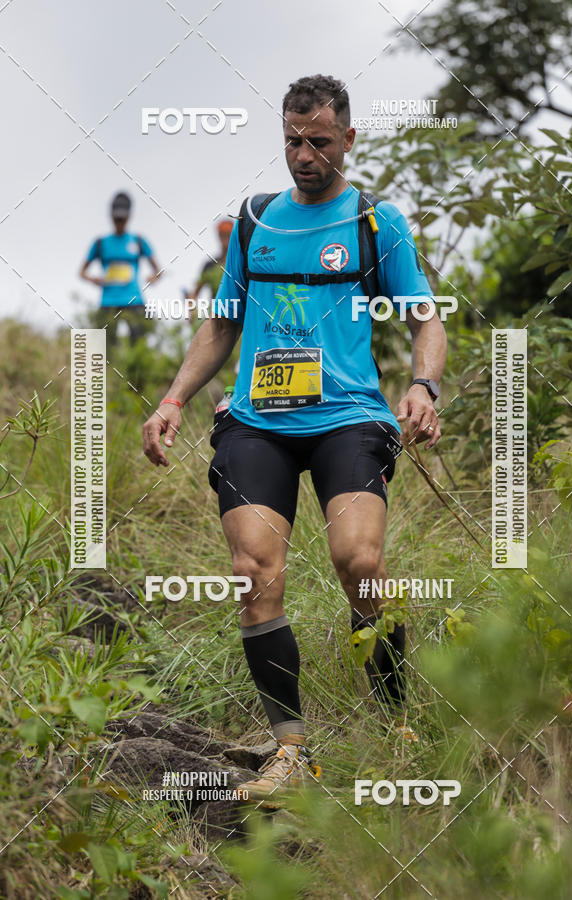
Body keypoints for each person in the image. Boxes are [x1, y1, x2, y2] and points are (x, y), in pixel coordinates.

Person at [142, 74, 447, 802]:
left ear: (348, 138)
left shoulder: (377, 223)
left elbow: (425, 318)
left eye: (317, 140)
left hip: (347, 416)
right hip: (257, 422)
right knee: (255, 571)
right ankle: (290, 752)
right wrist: (174, 398)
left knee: (360, 562)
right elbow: (222, 323)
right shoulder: (255, 222)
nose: (302, 155)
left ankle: (397, 724)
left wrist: (423, 385)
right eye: (290, 140)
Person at [80, 191, 162, 349]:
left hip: (134, 301)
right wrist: (93, 279)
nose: (119, 222)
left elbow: (158, 270)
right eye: (117, 218)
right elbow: (82, 272)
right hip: (108, 302)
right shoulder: (100, 243)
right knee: (103, 350)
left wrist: (154, 277)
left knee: (139, 347)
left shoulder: (138, 241)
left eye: (122, 219)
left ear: (129, 217)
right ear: (111, 217)